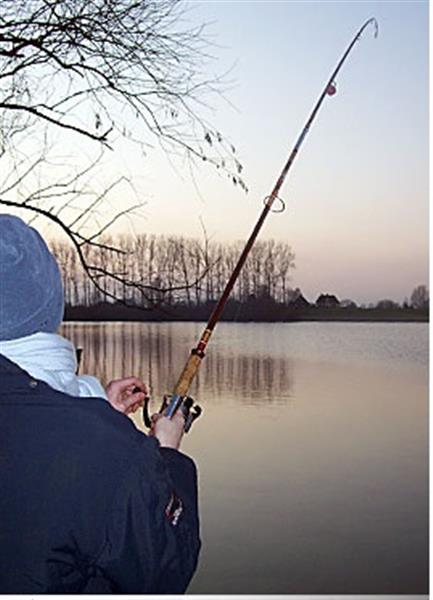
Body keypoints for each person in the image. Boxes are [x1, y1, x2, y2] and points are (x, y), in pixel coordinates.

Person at [0, 214, 200, 593]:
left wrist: (91, 405)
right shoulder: (111, 452)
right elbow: (165, 571)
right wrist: (166, 454)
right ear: (50, 302)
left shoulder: (94, 437)